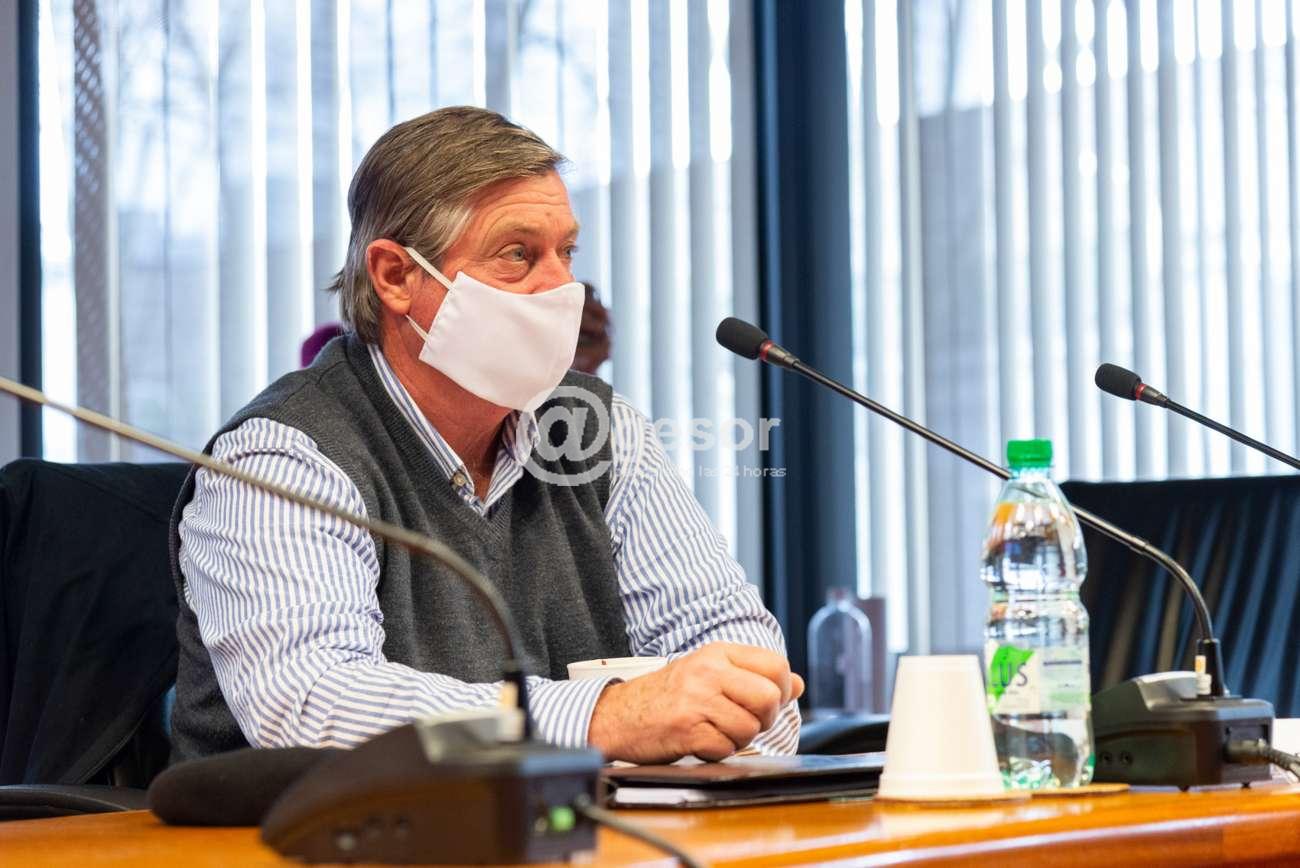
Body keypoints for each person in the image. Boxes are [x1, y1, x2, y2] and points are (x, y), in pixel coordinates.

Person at [170, 106, 802, 765]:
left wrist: (712, 717)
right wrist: (605, 720)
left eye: (566, 252)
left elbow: (755, 678)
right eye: (517, 254)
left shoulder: (602, 432)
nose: (563, 287)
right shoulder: (282, 457)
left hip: (577, 822)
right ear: (396, 276)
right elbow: (314, 708)